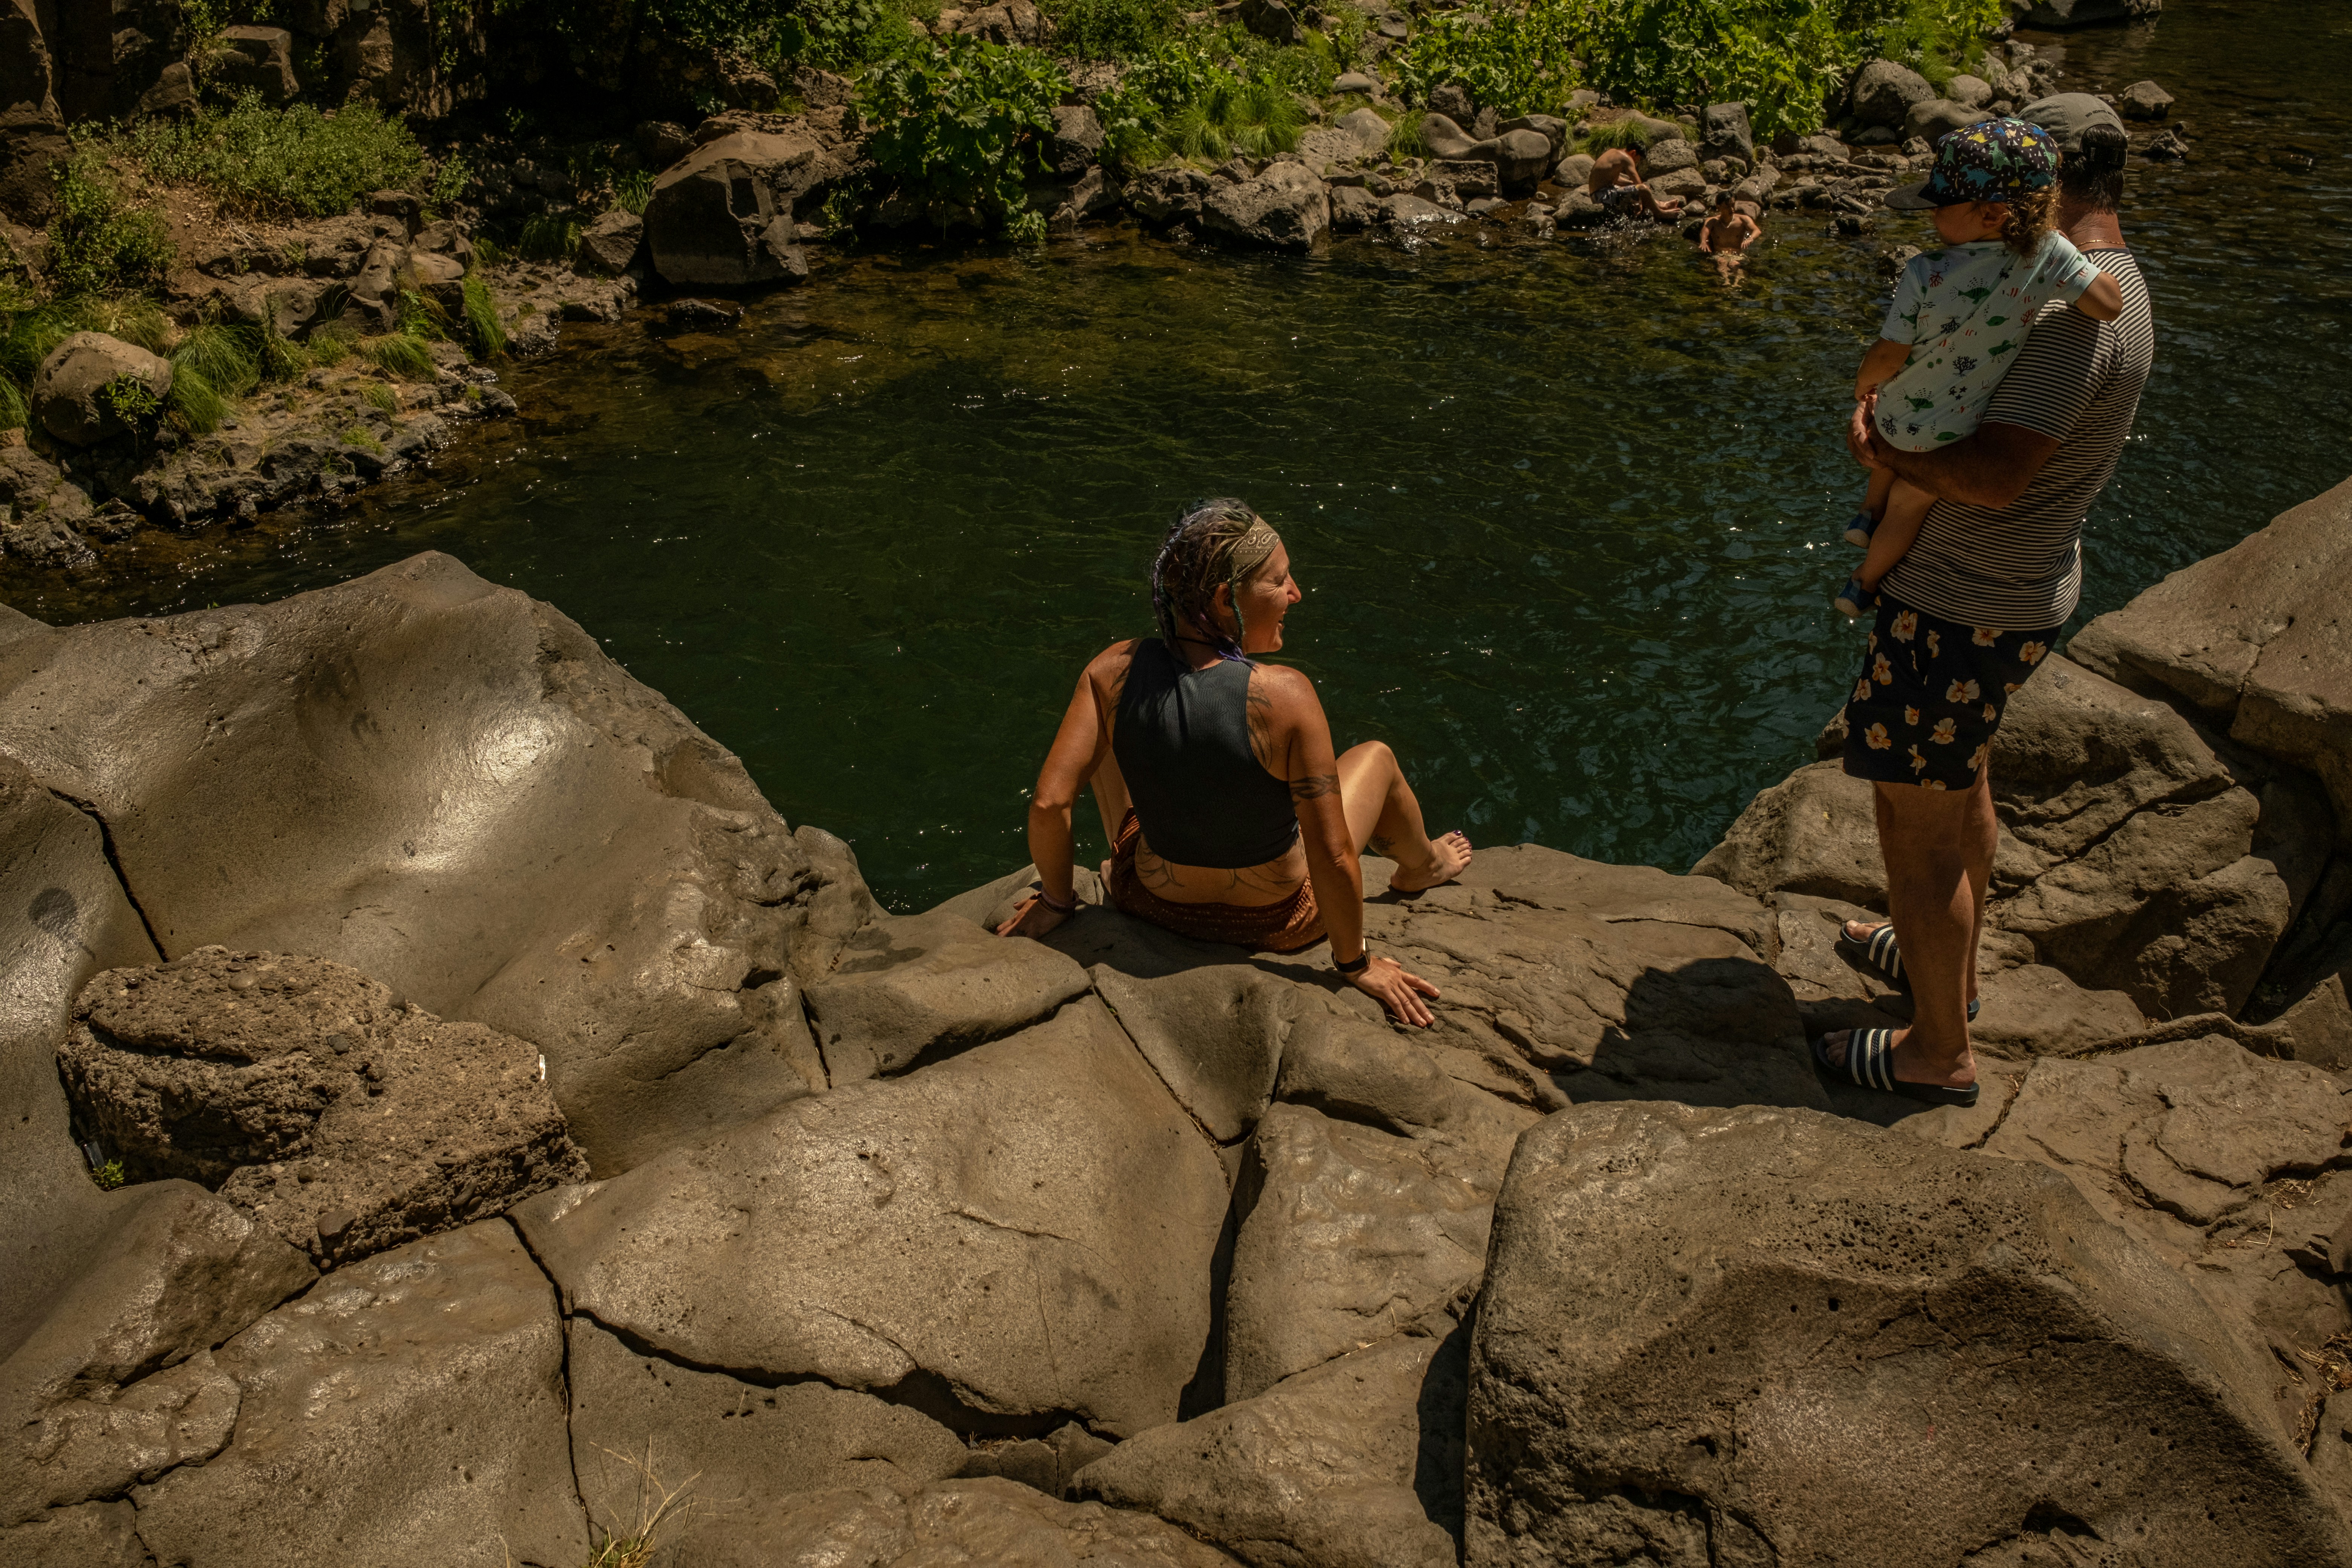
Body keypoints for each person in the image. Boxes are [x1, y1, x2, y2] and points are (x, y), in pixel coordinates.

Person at [1818, 95, 2152, 1106]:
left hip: (1966, 603)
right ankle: (1947, 978)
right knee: (1959, 788)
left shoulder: (2065, 316)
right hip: (2009, 589)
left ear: (2040, 186)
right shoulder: (2106, 286)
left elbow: (1998, 475)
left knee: (1915, 834)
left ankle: (1937, 1053)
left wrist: (1883, 449)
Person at [995, 500, 1473, 1027]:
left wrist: (1059, 902)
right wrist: (1355, 963)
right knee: (1376, 758)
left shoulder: (1112, 669)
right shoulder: (1287, 696)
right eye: (1280, 581)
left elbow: (1050, 802)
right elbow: (1333, 857)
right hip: (1277, 920)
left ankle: (1127, 864)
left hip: (1151, 902)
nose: (1296, 593)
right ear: (1226, 599)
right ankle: (1424, 865)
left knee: (1111, 725)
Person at [1833, 120, 2123, 619]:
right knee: (1910, 505)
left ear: (1991, 212)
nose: (1932, 219)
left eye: (1942, 206)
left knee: (1884, 420)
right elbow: (2107, 304)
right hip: (1953, 432)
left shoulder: (1926, 271)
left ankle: (1865, 515)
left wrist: (1864, 383)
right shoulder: (2047, 254)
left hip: (1901, 415)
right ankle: (1864, 584)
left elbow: (1891, 353)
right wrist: (2055, 250)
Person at [1589, 144, 1682, 220]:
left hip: (1598, 194)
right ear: (1634, 153)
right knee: (1643, 189)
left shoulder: (1614, 152)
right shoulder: (1627, 158)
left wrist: (1632, 185)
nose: (1637, 162)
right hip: (1602, 196)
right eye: (1638, 159)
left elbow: (1616, 180)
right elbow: (1640, 186)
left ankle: (1661, 204)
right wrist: (1640, 200)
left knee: (1636, 187)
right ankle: (1660, 213)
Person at [1698, 190, 1761, 276]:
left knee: (1734, 264)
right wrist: (1704, 242)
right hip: (1719, 255)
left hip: (1737, 255)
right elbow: (1705, 230)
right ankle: (1726, 284)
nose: (1732, 209)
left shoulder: (1743, 220)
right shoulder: (1713, 222)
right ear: (1719, 207)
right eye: (1728, 206)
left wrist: (1750, 238)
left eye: (1733, 205)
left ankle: (1737, 285)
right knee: (1722, 262)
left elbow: (1757, 231)